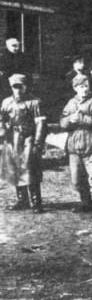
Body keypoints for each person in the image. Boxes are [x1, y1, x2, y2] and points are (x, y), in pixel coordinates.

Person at [60, 74, 92, 218]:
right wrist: (70, 119)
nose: (85, 89)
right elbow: (62, 123)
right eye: (81, 86)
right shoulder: (70, 103)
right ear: (75, 88)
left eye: (87, 86)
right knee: (77, 179)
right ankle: (85, 203)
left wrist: (80, 118)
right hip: (74, 147)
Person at [0, 73, 46, 213]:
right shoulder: (6, 102)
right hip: (13, 139)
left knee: (30, 168)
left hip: (28, 138)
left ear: (26, 86)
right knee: (15, 168)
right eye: (15, 87)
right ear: (11, 87)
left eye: (21, 87)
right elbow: (2, 119)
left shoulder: (35, 102)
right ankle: (22, 200)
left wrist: (38, 142)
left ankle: (36, 201)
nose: (18, 90)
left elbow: (41, 124)